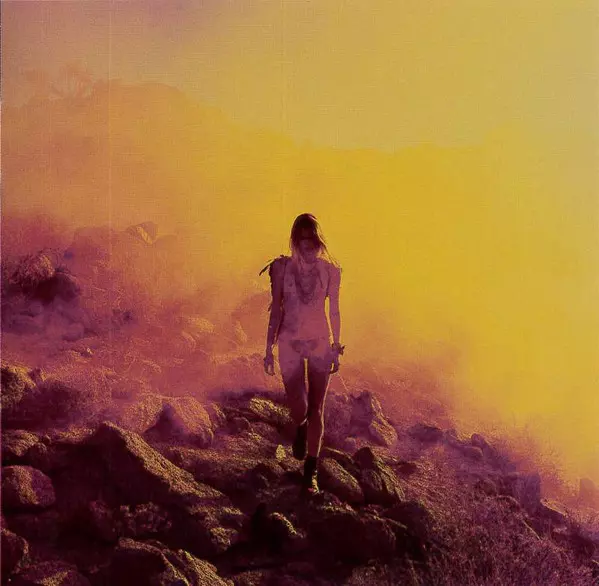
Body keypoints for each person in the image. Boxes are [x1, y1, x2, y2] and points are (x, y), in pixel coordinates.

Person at [261, 213, 344, 495]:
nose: (308, 247)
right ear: (295, 242)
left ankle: (311, 471)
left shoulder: (331, 271)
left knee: (317, 407)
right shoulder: (281, 268)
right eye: (302, 241)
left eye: (313, 241)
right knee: (298, 405)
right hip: (290, 341)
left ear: (319, 243)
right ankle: (301, 425)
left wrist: (336, 346)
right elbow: (276, 309)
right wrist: (268, 349)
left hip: (320, 341)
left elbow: (334, 310)